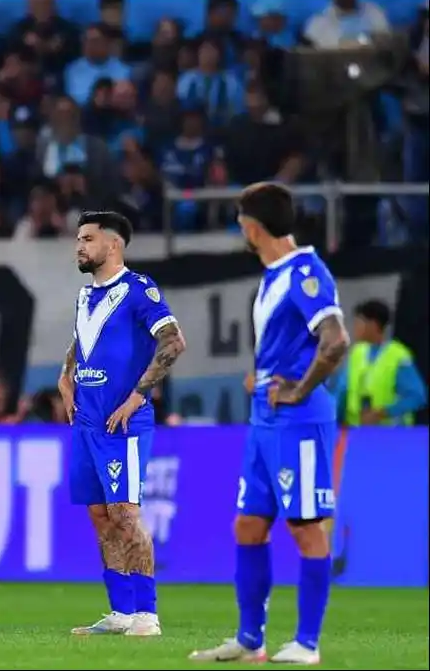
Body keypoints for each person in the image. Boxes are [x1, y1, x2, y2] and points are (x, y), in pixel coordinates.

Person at [191, 182, 349, 664]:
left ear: (254, 226)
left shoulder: (305, 273)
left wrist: (299, 389)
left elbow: (335, 340)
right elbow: (292, 343)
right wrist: (259, 375)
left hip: (297, 419)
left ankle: (307, 644)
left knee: (304, 527)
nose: (240, 228)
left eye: (241, 220)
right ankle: (249, 640)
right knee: (249, 526)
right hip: (266, 418)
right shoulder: (273, 274)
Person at [59, 211, 186, 638]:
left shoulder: (139, 290)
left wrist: (137, 395)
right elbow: (83, 337)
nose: (79, 246)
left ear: (113, 245)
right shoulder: (84, 295)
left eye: (88, 239)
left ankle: (147, 614)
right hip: (87, 421)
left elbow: (173, 340)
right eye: (78, 238)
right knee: (100, 514)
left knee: (125, 513)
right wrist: (65, 373)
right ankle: (120, 611)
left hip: (123, 424)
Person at [336, 299, 428, 426]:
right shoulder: (357, 353)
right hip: (356, 433)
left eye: (360, 322)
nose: (355, 327)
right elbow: (342, 391)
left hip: (390, 435)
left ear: (373, 324)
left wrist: (384, 412)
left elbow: (417, 396)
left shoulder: (397, 356)